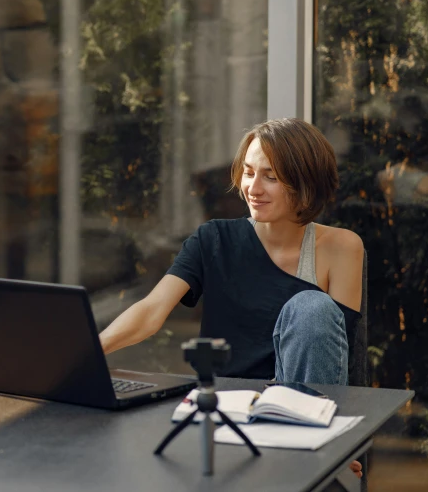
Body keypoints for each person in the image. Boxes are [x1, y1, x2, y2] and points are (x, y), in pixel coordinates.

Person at [98, 118, 365, 476]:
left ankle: (317, 457)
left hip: (298, 416)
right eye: (248, 172)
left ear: (305, 183)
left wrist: (345, 443)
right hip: (228, 410)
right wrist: (83, 357)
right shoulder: (213, 239)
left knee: (312, 307)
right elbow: (150, 311)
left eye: (271, 176)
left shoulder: (342, 247)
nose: (253, 188)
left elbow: (337, 357)